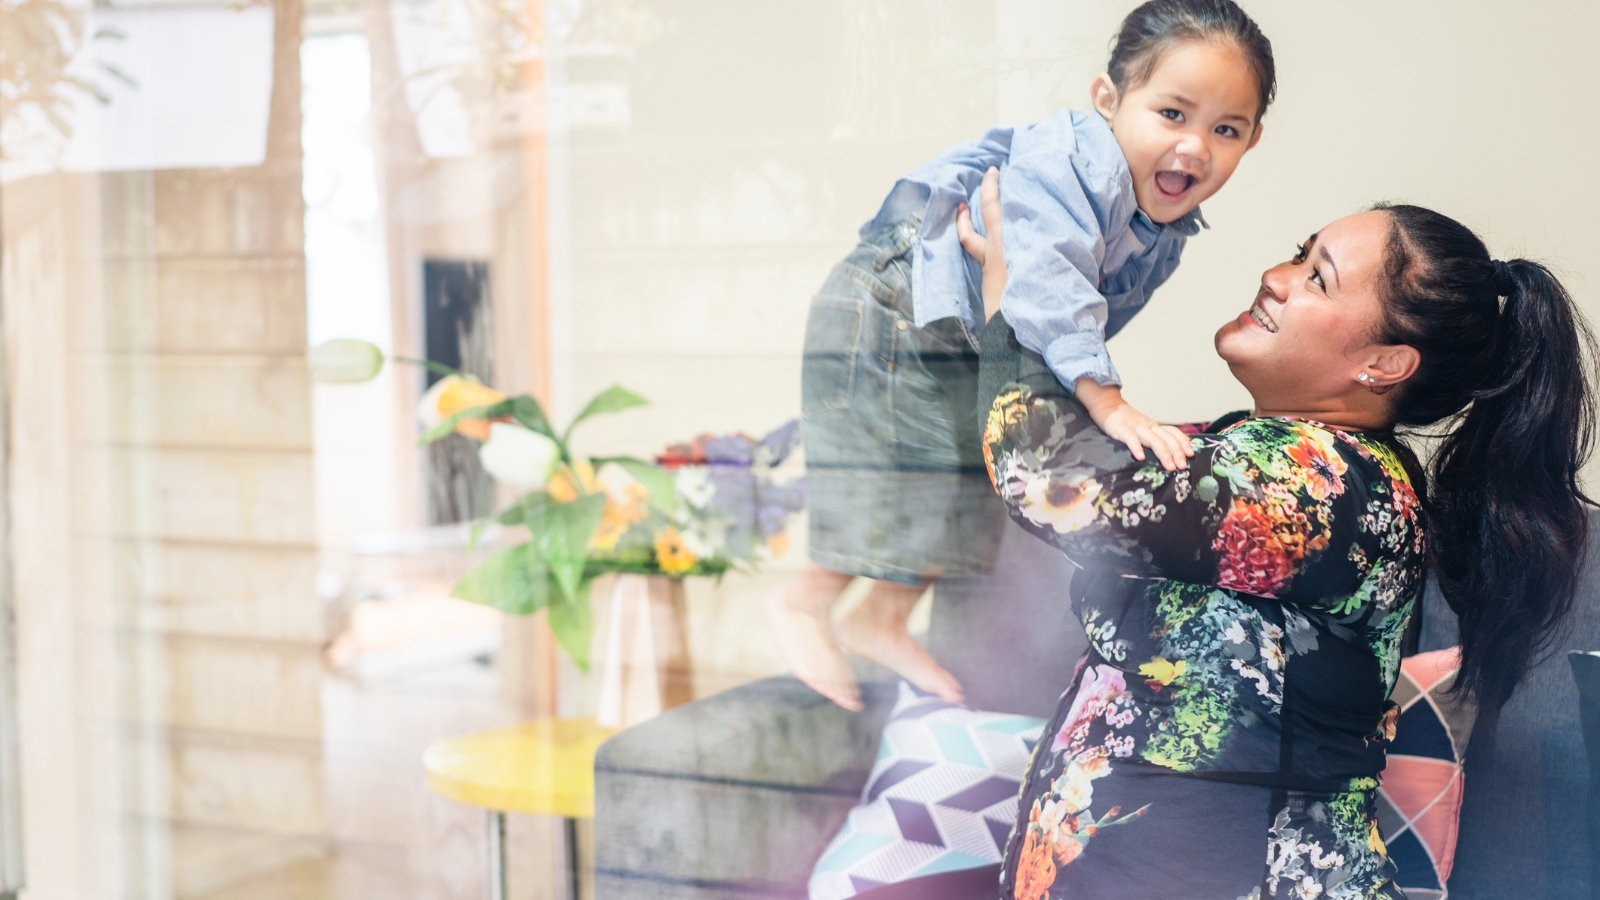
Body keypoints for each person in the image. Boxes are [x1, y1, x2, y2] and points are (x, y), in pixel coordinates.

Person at [928, 169, 1596, 899]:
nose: (1276, 279)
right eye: (1296, 254)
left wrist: (1017, 297)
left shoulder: (1329, 486)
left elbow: (1058, 479)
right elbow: (1088, 443)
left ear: (1384, 364)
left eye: (1318, 278)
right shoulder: (1246, 452)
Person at [770, 0, 1274, 712]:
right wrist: (1105, 398)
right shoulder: (1075, 165)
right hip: (893, 307)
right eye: (1172, 114)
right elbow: (1046, 283)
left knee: (971, 476)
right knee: (896, 471)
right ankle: (805, 599)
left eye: (1226, 129)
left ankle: (878, 615)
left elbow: (1080, 316)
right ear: (1109, 100)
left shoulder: (1163, 224)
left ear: (1252, 141)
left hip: (958, 335)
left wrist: (1076, 388)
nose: (1195, 147)